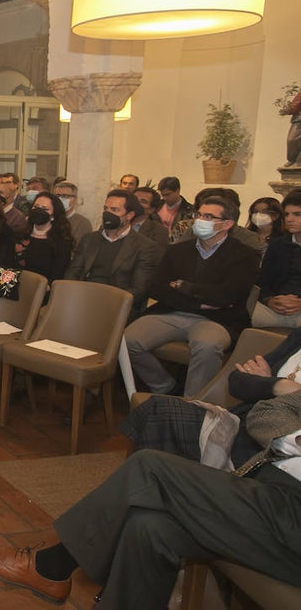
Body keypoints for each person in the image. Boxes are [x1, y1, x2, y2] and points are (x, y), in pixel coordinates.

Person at [0, 437, 301, 608]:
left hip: (292, 514)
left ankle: (52, 567)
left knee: (150, 468)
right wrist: (277, 389)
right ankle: (54, 571)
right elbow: (265, 410)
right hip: (276, 492)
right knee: (148, 526)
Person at [124, 196, 260, 396]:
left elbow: (228, 295)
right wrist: (199, 303)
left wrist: (183, 286)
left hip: (218, 320)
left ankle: (193, 403)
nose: (199, 220)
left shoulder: (245, 255)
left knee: (207, 346)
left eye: (208, 216)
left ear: (227, 224)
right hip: (171, 313)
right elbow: (156, 288)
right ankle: (164, 386)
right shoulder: (178, 251)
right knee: (127, 340)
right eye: (199, 214)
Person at [123, 327, 301, 469]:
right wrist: (279, 386)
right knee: (157, 410)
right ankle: (145, 494)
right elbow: (236, 382)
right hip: (239, 420)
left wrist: (265, 382)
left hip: (266, 442)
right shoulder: (297, 338)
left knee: (161, 414)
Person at [65, 189, 161, 318]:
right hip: (84, 299)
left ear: (129, 215)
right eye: (106, 209)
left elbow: (139, 289)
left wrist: (106, 303)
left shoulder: (144, 246)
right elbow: (73, 272)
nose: (107, 214)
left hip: (117, 306)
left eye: (115, 210)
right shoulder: (89, 239)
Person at [253, 191, 301, 329]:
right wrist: (270, 300)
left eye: (297, 214)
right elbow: (263, 281)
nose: (290, 219)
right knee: (242, 313)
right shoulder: (278, 245)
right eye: (287, 214)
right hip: (275, 306)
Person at [12, 192, 73, 287]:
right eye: (36, 207)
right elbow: (8, 265)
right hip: (14, 287)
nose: (38, 211)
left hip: (42, 291)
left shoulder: (61, 242)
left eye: (44, 209)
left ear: (53, 215)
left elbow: (58, 275)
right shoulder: (18, 235)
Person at [156, 175, 194, 242]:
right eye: (162, 195)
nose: (164, 198)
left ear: (177, 191)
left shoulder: (189, 210)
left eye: (168, 194)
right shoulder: (157, 205)